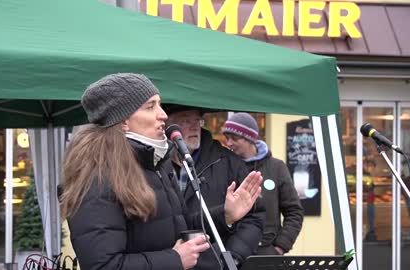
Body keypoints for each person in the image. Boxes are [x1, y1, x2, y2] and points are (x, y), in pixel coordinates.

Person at [60, 73, 263, 270]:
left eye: (159, 104)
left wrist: (226, 215)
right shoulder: (97, 175)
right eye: (150, 107)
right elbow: (102, 265)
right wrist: (175, 260)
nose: (163, 115)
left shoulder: (156, 164)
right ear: (123, 121)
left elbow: (177, 226)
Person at [166, 105, 266, 266]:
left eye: (197, 120)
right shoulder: (155, 164)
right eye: (185, 120)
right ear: (167, 127)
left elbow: (255, 216)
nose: (194, 126)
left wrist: (233, 256)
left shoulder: (229, 162)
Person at [223, 112, 304, 255]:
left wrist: (280, 247)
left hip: (266, 252)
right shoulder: (223, 167)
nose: (228, 143)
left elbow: (294, 211)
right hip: (231, 253)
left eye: (234, 138)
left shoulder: (276, 168)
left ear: (250, 139)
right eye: (227, 138)